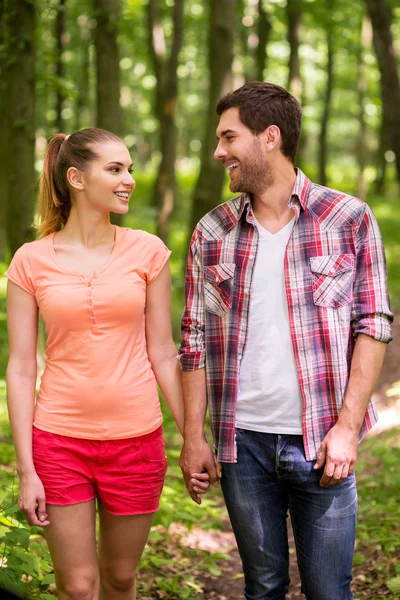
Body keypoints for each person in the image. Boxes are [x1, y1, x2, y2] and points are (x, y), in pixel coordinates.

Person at [179, 82, 393, 600]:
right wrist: (192, 436)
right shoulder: (211, 232)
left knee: (328, 591)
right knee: (263, 587)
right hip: (241, 446)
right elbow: (194, 339)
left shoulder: (349, 218)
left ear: (269, 137)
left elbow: (374, 324)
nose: (218, 152)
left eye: (229, 137)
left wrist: (346, 427)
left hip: (322, 441)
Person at [6, 128, 184, 600]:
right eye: (115, 169)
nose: (129, 179)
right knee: (79, 587)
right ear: (76, 178)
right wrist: (27, 469)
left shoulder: (147, 251)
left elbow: (163, 351)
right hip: (59, 442)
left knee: (120, 579)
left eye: (129, 168)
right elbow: (22, 367)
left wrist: (193, 437)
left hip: (137, 440)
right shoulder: (30, 261)